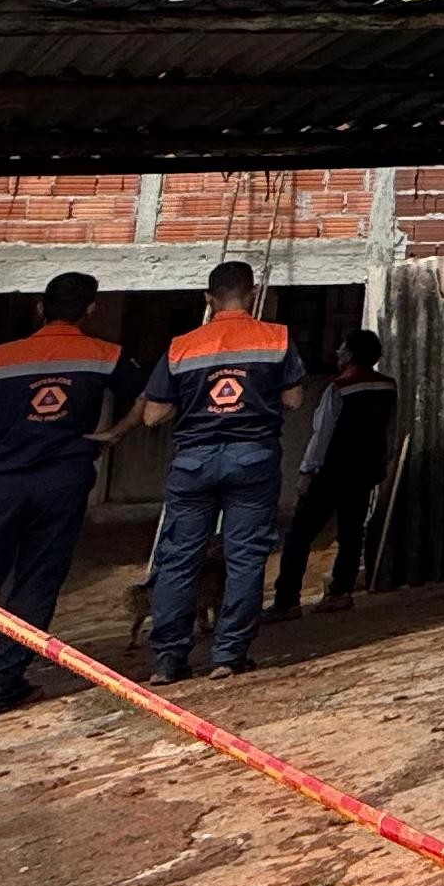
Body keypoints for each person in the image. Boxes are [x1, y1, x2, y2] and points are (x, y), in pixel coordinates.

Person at [0, 271, 125, 733]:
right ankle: (2, 685)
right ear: (90, 310)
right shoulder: (105, 355)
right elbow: (150, 399)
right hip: (62, 481)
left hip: (1, 484)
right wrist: (114, 433)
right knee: (35, 583)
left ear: (39, 308)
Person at [136, 261, 304, 682]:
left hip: (193, 461)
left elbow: (154, 415)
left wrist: (195, 404)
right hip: (253, 458)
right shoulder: (277, 338)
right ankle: (229, 655)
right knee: (245, 557)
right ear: (252, 294)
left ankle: (168, 661)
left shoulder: (181, 346)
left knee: (177, 560)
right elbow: (294, 401)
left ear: (207, 299)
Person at [277, 328, 397, 621]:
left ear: (351, 354)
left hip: (331, 471)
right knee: (351, 532)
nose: (338, 354)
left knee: (300, 535)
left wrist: (307, 470)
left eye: (342, 349)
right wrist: (383, 461)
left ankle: (287, 601)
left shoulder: (339, 387)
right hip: (364, 470)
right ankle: (340, 592)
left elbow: (323, 434)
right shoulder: (387, 386)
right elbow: (390, 429)